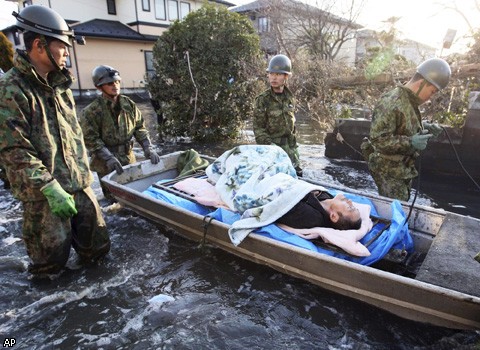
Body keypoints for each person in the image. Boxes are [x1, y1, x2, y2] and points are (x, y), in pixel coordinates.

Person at [0, 5, 110, 275]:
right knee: (50, 271)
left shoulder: (61, 87)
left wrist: (86, 178)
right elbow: (14, 150)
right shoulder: (12, 89)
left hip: (80, 188)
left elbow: (74, 137)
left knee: (98, 253)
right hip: (45, 198)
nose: (66, 53)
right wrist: (49, 187)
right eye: (62, 46)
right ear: (39, 45)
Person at [361, 58, 451, 201]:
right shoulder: (392, 101)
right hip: (387, 171)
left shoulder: (409, 101)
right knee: (397, 210)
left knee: (402, 206)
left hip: (402, 169)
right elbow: (378, 141)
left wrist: (424, 127)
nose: (431, 97)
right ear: (421, 84)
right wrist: (411, 142)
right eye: (432, 91)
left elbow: (403, 126)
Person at [80, 65, 160, 200]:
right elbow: (91, 139)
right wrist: (108, 158)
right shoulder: (91, 111)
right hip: (106, 163)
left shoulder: (128, 104)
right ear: (99, 87)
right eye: (110, 83)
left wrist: (148, 147)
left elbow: (139, 127)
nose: (115, 85)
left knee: (134, 196)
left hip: (128, 158)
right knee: (113, 200)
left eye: (117, 82)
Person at [253, 54, 303, 176]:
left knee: (298, 177)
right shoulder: (262, 100)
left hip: (290, 150)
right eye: (271, 74)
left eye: (278, 74)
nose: (274, 78)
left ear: (286, 76)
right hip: (271, 151)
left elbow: (292, 127)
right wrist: (271, 147)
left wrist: (294, 151)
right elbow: (258, 130)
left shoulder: (290, 98)